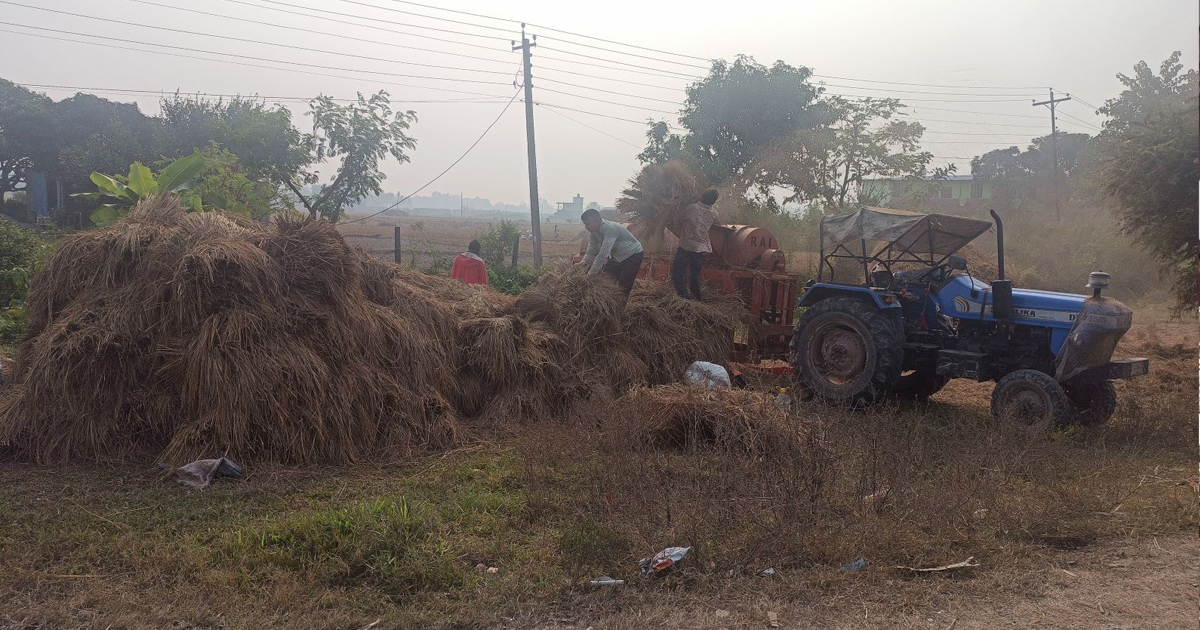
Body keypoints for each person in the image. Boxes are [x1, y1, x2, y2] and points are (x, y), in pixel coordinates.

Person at [668, 188, 719, 300]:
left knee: (677, 273)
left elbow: (678, 219)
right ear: (713, 202)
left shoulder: (691, 208)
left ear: (702, 196)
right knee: (695, 275)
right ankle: (696, 298)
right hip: (699, 249)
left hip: (686, 246)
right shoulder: (714, 214)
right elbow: (717, 224)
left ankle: (683, 296)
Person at [579, 208, 643, 296]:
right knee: (607, 282)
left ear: (597, 220)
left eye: (588, 224)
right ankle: (606, 307)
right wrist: (583, 263)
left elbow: (603, 254)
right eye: (585, 224)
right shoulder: (593, 233)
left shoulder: (610, 230)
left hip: (633, 255)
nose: (586, 227)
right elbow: (590, 252)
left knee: (623, 288)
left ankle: (619, 309)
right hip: (616, 257)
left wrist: (589, 275)